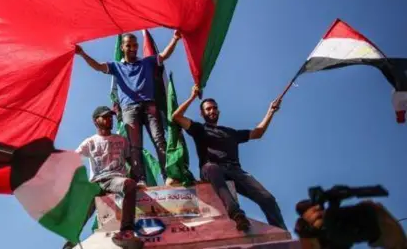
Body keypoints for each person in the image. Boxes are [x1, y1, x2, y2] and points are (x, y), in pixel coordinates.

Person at [171, 85, 287, 232]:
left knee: (268, 199)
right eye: (208, 109)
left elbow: (258, 133)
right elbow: (176, 116)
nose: (212, 111)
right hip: (211, 169)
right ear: (202, 113)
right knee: (212, 167)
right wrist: (192, 96)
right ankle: (237, 214)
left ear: (218, 111)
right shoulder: (199, 129)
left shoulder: (231, 132)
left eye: (214, 108)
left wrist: (271, 111)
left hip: (235, 171)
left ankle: (281, 232)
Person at [75, 31, 182, 186]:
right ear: (122, 48)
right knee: (134, 146)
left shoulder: (147, 62)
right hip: (129, 109)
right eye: (129, 45)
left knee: (159, 140)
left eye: (135, 45)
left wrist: (175, 38)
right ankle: (141, 179)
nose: (133, 48)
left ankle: (168, 176)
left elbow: (164, 55)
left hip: (149, 106)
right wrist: (82, 54)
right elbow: (98, 66)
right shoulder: (116, 66)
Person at [63, 105, 143, 249]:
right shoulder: (90, 142)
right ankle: (71, 240)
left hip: (115, 179)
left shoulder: (122, 140)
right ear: (96, 121)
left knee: (130, 184)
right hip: (97, 181)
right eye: (105, 117)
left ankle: (126, 232)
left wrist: (138, 179)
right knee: (83, 206)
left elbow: (132, 162)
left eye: (110, 117)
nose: (109, 120)